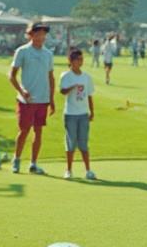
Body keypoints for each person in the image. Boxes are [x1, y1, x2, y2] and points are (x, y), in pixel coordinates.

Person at [9, 22, 56, 175]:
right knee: (24, 130)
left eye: (43, 34)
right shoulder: (22, 51)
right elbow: (12, 76)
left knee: (38, 131)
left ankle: (33, 163)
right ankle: (16, 159)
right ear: (30, 34)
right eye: (38, 33)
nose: (41, 37)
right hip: (26, 100)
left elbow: (51, 77)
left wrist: (52, 99)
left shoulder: (48, 54)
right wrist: (22, 91)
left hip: (42, 100)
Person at [59, 48, 96, 180]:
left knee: (83, 142)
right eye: (78, 59)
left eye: (81, 59)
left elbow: (90, 95)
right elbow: (62, 91)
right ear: (71, 61)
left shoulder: (87, 77)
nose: (80, 61)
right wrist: (72, 87)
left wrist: (92, 111)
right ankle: (68, 170)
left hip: (83, 113)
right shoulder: (66, 76)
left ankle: (88, 170)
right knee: (70, 142)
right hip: (70, 114)